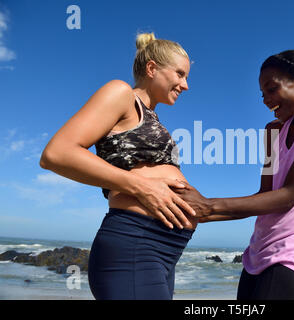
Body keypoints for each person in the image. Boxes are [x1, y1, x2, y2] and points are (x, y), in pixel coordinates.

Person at [174, 50, 294, 300]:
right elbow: (265, 196)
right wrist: (201, 212)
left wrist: (209, 206)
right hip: (255, 258)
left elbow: (290, 195)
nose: (266, 100)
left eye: (271, 89)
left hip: (293, 260)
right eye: (262, 94)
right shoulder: (272, 134)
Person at [39, 32, 198, 299]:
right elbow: (56, 153)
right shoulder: (121, 93)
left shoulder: (152, 117)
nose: (185, 85)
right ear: (152, 68)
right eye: (180, 74)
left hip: (163, 253)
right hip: (135, 245)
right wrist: (142, 187)